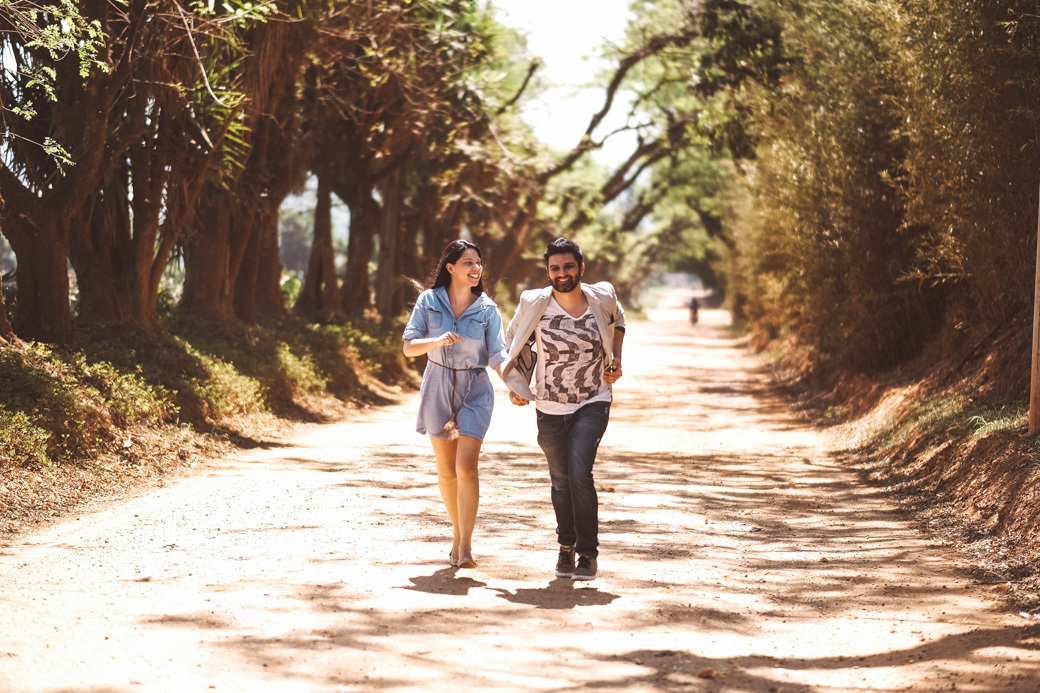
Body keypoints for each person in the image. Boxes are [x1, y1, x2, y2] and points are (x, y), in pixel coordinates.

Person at [501, 237, 625, 581]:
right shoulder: (533, 303)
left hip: (593, 398)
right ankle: (565, 547)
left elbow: (619, 320)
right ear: (548, 271)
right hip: (549, 402)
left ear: (581, 268)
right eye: (555, 268)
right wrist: (515, 384)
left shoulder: (601, 296)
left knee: (578, 473)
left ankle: (588, 553)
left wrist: (616, 359)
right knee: (559, 480)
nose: (562, 273)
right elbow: (510, 343)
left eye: (569, 266)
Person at [403, 240, 508, 569]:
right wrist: (436, 340)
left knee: (466, 467)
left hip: (475, 387)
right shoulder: (428, 301)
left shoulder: (488, 310)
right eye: (468, 262)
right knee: (447, 472)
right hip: (437, 384)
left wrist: (515, 384)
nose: (476, 268)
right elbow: (409, 347)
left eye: (478, 263)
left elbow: (497, 354)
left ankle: (465, 544)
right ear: (450, 267)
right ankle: (456, 532)